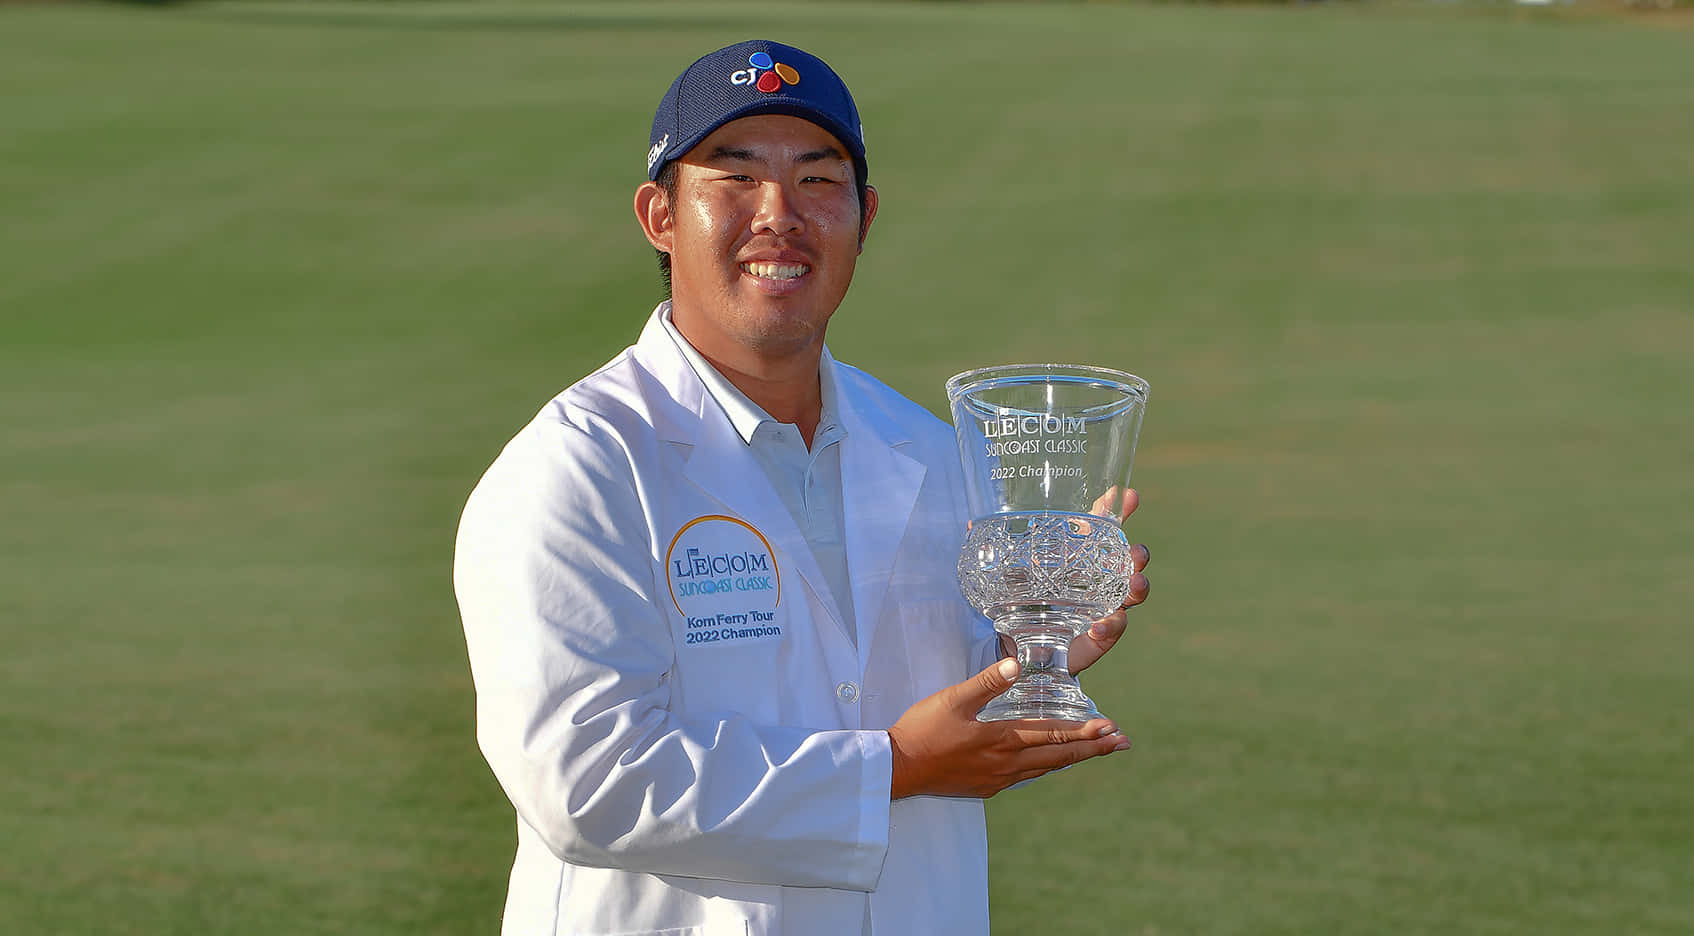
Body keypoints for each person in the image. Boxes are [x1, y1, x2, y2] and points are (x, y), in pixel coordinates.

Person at [454, 39, 1152, 936]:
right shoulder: (578, 464)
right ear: (659, 216)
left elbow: (917, 700)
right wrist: (893, 767)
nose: (778, 214)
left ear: (865, 216)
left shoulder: (929, 449)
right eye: (736, 178)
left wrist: (1033, 646)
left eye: (818, 180)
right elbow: (586, 780)